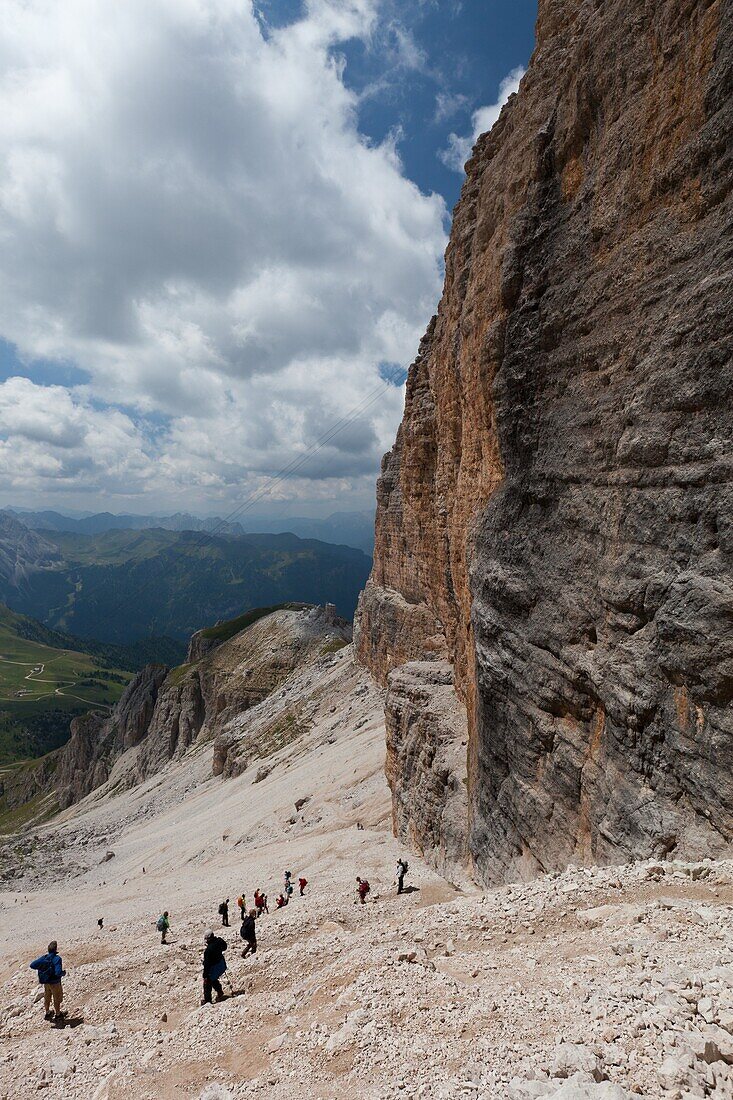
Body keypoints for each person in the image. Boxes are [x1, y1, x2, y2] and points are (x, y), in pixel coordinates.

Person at [30, 941, 65, 1022]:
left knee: (47, 997)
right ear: (56, 949)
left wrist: (42, 967)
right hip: (55, 983)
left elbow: (32, 965)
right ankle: (58, 1014)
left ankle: (48, 1012)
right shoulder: (57, 959)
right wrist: (63, 973)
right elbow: (58, 972)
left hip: (46, 982)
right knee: (57, 999)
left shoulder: (44, 957)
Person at [201, 930, 228, 1004]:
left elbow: (207, 965)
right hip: (221, 965)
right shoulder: (219, 941)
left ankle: (207, 1001)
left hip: (214, 968)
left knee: (207, 982)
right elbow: (225, 947)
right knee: (213, 978)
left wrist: (205, 976)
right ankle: (219, 991)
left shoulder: (208, 950)